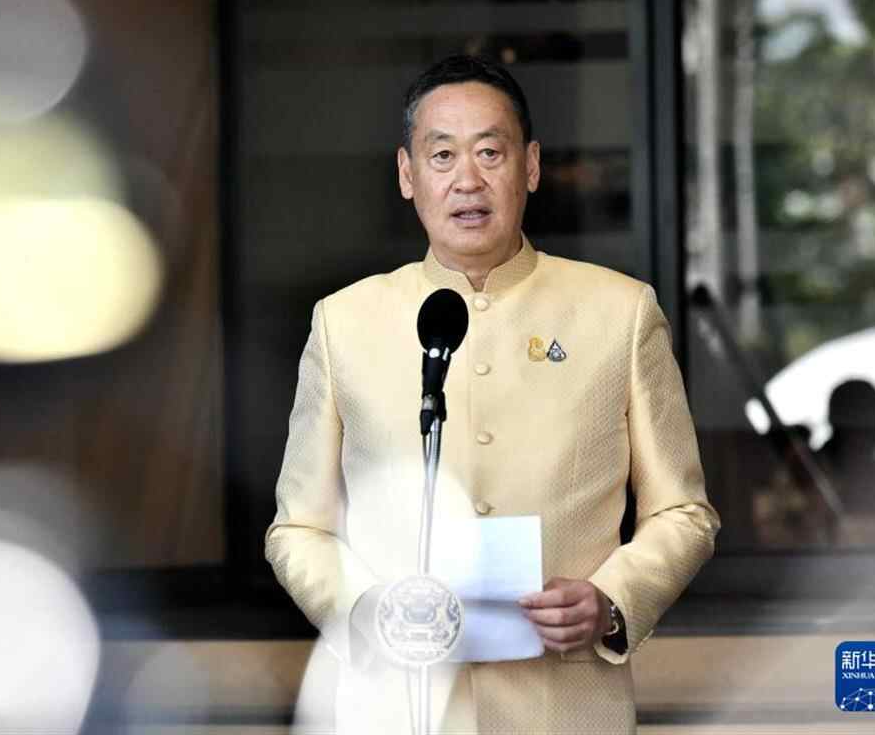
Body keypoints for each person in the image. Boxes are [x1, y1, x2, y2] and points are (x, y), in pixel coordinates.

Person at [265, 53, 720, 733]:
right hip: (399, 707)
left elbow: (683, 510)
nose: (467, 180)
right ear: (407, 175)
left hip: (565, 708)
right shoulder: (344, 323)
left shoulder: (620, 313)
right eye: (442, 156)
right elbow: (299, 529)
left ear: (530, 166)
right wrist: (362, 612)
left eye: (490, 152)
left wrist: (610, 601)